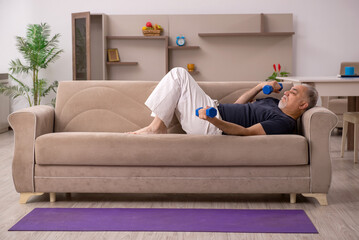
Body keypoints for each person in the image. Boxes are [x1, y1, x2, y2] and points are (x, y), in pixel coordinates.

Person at [130, 67, 318, 136]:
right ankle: (158, 125)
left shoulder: (283, 122)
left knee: (179, 74)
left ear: (303, 105)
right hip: (214, 110)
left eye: (293, 93)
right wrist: (260, 86)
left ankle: (156, 127)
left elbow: (245, 132)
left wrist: (213, 120)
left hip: (210, 124)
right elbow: (238, 105)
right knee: (178, 79)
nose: (286, 93)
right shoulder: (272, 103)